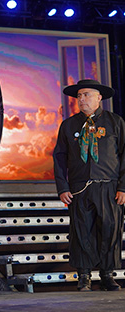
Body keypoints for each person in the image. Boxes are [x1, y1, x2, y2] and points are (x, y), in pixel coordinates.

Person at [53, 79, 125, 292]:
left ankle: (107, 275)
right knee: (81, 231)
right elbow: (59, 157)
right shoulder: (69, 125)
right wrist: (62, 187)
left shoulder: (115, 122)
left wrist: (123, 187)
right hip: (79, 188)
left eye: (86, 94)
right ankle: (84, 277)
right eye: (79, 96)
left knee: (110, 229)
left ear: (99, 97)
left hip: (109, 187)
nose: (81, 99)